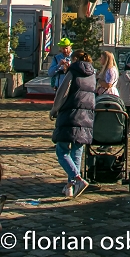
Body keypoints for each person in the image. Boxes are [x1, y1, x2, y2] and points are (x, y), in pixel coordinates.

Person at [50, 49, 96, 198]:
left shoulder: (72, 72)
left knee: (61, 150)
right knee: (77, 150)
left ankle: (77, 179)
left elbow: (62, 93)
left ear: (75, 59)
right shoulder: (93, 75)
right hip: (86, 116)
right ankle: (71, 186)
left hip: (70, 115)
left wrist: (54, 110)